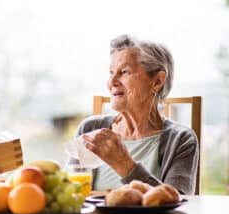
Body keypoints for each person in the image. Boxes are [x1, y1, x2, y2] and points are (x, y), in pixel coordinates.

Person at [75, 35, 198, 194]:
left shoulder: (180, 139)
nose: (111, 82)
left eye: (124, 72)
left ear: (157, 81)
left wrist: (124, 164)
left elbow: (178, 202)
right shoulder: (90, 128)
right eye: (111, 72)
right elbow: (70, 193)